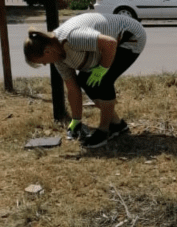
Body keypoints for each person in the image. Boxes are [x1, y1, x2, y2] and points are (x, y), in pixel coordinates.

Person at [23, 13, 147, 149]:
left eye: (43, 62)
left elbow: (110, 43)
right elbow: (72, 88)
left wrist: (102, 68)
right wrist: (76, 120)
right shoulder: (58, 57)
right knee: (84, 79)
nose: (46, 64)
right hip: (109, 44)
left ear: (47, 51)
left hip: (129, 37)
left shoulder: (72, 38)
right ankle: (117, 125)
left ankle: (104, 131)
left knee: (104, 80)